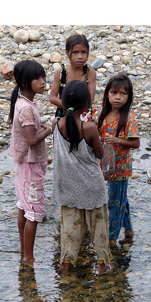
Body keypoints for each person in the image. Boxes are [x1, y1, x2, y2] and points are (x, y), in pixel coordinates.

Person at [52, 80, 112, 275]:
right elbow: (100, 154)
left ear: (63, 101)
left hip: (67, 188)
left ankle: (66, 265)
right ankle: (103, 266)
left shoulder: (55, 124)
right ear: (87, 104)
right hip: (91, 187)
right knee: (99, 229)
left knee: (69, 231)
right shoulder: (90, 127)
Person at [8, 60, 50, 266]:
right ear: (25, 83)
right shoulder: (26, 108)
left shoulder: (24, 103)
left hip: (23, 162)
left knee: (24, 206)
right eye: (38, 79)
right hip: (30, 163)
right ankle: (29, 257)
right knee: (33, 211)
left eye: (43, 77)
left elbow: (29, 133)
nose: (43, 82)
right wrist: (48, 130)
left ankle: (24, 250)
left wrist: (38, 128)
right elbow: (32, 140)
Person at [96, 74, 140, 245]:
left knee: (115, 202)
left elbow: (135, 143)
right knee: (121, 199)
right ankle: (128, 230)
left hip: (121, 168)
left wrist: (117, 141)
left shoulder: (128, 118)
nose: (117, 97)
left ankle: (112, 238)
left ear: (128, 97)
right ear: (107, 94)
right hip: (107, 166)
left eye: (123, 94)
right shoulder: (105, 115)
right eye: (114, 93)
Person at [49, 34, 97, 121]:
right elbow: (52, 97)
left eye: (83, 52)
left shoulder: (90, 73)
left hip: (83, 115)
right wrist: (70, 108)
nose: (80, 57)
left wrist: (79, 110)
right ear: (67, 53)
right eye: (75, 52)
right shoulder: (60, 73)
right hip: (64, 115)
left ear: (88, 53)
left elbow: (90, 100)